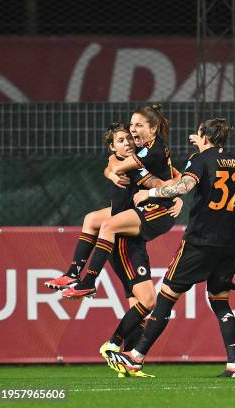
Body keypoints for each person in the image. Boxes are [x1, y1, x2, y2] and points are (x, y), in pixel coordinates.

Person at [105, 117, 235, 378]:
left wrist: (151, 194)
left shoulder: (199, 159)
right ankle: (234, 364)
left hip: (200, 241)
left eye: (199, 133)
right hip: (228, 244)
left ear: (204, 137)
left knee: (165, 298)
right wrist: (205, 142)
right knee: (221, 302)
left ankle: (135, 357)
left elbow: (185, 186)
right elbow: (216, 158)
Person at [45, 122, 182, 377]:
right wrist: (113, 172)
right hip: (124, 244)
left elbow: (170, 174)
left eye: (129, 138)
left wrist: (178, 195)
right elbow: (114, 165)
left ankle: (126, 361)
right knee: (148, 301)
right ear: (112, 146)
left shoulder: (135, 160)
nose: (128, 143)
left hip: (132, 236)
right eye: (121, 140)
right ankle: (108, 334)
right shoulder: (122, 163)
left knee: (137, 305)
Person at [61, 104, 177, 299]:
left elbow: (175, 179)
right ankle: (74, 273)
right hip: (133, 209)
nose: (132, 130)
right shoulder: (141, 148)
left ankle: (88, 282)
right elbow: (115, 162)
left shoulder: (151, 150)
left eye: (138, 125)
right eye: (131, 124)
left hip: (157, 209)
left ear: (153, 128)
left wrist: (171, 196)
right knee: (91, 219)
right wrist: (111, 173)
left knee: (108, 226)